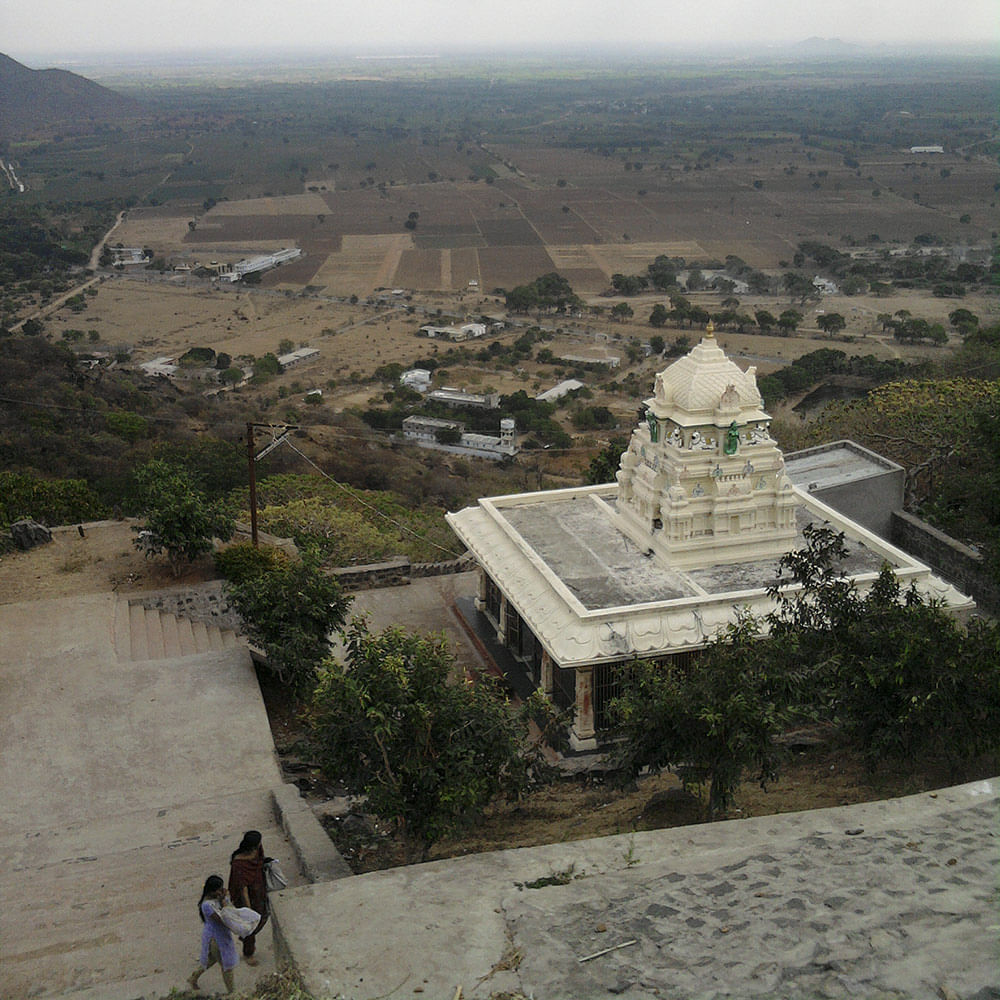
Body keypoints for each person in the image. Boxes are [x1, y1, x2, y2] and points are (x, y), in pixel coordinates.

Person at [187, 875, 238, 994]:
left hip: (220, 936)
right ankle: (232, 992)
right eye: (218, 890)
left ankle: (193, 978)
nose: (220, 892)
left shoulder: (215, 900)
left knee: (210, 960)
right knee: (227, 966)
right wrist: (225, 902)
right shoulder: (207, 906)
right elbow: (223, 918)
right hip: (216, 939)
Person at [228, 830, 268, 966]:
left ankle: (245, 937)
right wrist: (248, 909)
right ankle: (248, 953)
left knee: (263, 917)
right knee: (250, 927)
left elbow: (261, 862)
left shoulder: (257, 851)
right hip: (248, 900)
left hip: (259, 894)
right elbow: (242, 888)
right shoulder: (238, 864)